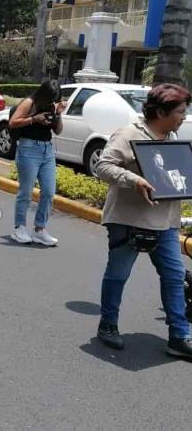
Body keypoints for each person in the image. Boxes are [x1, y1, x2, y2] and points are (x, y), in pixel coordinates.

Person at [95, 83, 192, 359]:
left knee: (174, 276)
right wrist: (134, 179)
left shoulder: (173, 141)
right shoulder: (129, 134)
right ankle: (108, 325)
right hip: (129, 220)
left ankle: (179, 336)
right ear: (161, 112)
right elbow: (103, 166)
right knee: (118, 275)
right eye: (181, 111)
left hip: (166, 223)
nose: (184, 116)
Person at [8, 80, 66, 246]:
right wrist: (34, 119)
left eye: (54, 99)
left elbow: (58, 131)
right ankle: (19, 227)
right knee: (25, 191)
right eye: (49, 99)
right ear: (43, 94)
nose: (51, 102)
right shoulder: (30, 103)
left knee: (48, 191)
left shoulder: (52, 106)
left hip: (47, 150)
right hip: (28, 148)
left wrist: (58, 114)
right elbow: (13, 122)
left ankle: (39, 229)